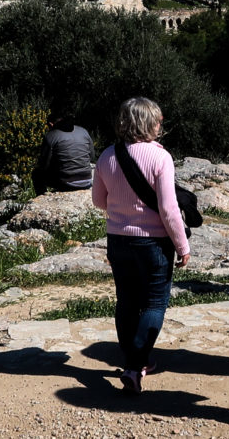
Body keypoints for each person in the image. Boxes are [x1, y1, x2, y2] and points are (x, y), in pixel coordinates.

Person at [92, 97, 191, 394]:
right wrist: (183, 246)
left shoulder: (107, 156)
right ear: (150, 124)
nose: (161, 125)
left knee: (126, 301)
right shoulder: (161, 158)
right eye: (158, 120)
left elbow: (99, 201)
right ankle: (136, 366)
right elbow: (169, 210)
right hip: (154, 242)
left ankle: (135, 360)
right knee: (154, 303)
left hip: (118, 239)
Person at [34, 116, 95, 192]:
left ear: (51, 124)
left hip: (66, 182)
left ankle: (42, 198)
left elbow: (43, 165)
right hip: (86, 179)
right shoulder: (83, 131)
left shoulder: (51, 135)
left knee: (36, 174)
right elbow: (92, 157)